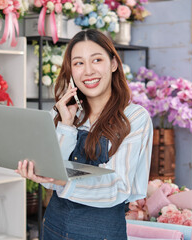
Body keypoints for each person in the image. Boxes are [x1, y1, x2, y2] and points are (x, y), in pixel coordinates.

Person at [16, 29, 153, 240]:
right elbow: (50, 180)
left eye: (96, 60)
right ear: (71, 70)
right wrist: (66, 126)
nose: (88, 71)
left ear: (114, 64)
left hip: (101, 234)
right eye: (78, 63)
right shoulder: (62, 112)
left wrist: (63, 181)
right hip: (52, 228)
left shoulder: (134, 118)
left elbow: (118, 187)